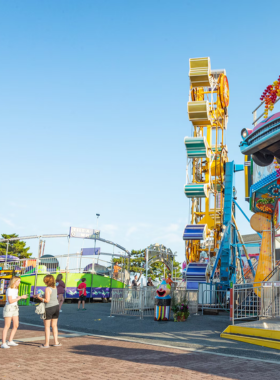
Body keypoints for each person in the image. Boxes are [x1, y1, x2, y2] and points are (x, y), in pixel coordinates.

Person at [33, 275, 61, 348]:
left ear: (47, 281)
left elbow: (47, 300)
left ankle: (46, 343)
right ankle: (56, 342)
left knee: (47, 326)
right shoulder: (55, 287)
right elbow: (51, 297)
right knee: (54, 325)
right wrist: (38, 296)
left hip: (49, 308)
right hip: (56, 307)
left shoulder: (47, 288)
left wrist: (39, 297)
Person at [1, 276, 28, 349]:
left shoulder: (16, 289)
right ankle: (3, 343)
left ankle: (10, 340)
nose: (19, 283)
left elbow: (15, 297)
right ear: (14, 281)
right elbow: (10, 301)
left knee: (16, 325)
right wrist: (20, 298)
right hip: (9, 308)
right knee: (7, 325)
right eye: (18, 281)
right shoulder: (9, 289)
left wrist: (21, 296)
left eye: (19, 281)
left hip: (15, 308)